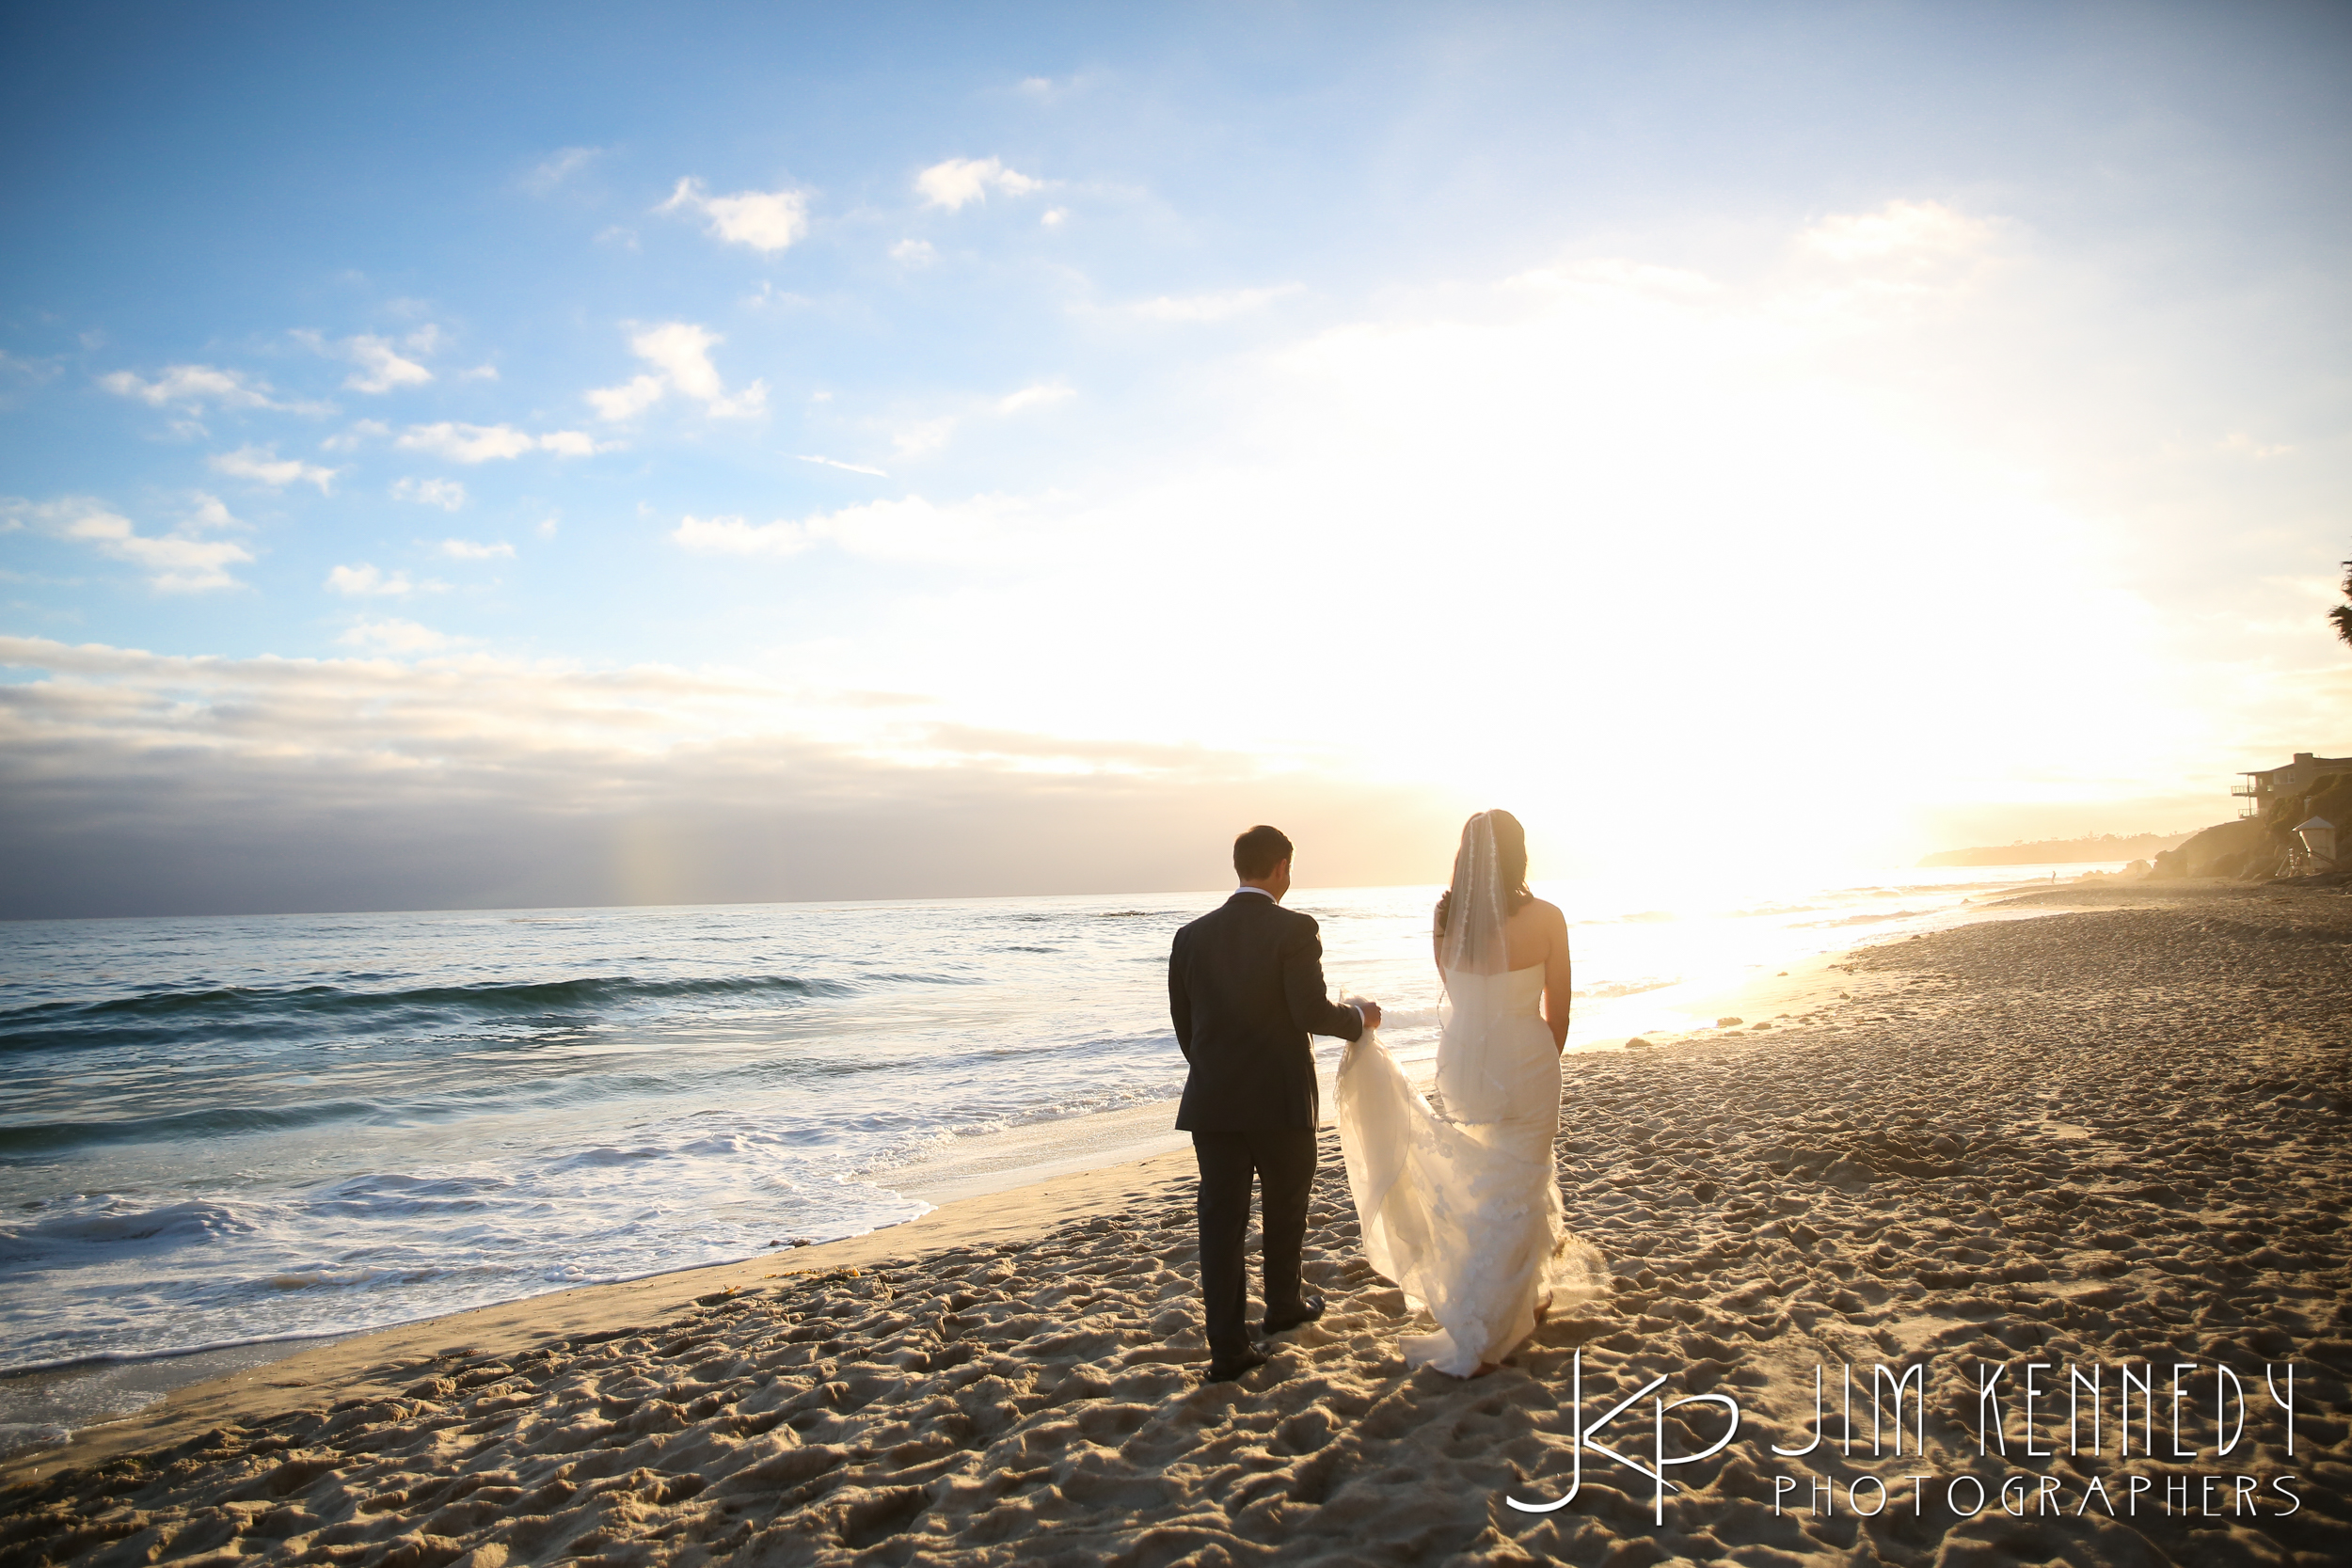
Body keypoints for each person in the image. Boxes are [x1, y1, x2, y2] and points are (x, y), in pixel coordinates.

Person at [1334, 809, 1606, 1376]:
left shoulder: (1444, 917)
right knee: (1523, 1176)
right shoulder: (1549, 916)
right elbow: (1560, 1008)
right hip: (1526, 1055)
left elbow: (1454, 986)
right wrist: (1538, 1060)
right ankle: (1490, 1320)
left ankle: (1528, 1296)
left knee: (1491, 1181)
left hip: (1461, 1063)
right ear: (1519, 855)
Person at [1168, 825, 1381, 1383]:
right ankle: (1282, 1307)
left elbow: (1186, 1029)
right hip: (1280, 1097)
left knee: (1220, 1221)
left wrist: (1217, 1072)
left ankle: (1227, 1349)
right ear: (1282, 866)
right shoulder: (1295, 929)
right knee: (1284, 1208)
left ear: (1240, 867)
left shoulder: (1190, 936)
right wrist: (1359, 1021)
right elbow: (1310, 1012)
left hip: (1214, 1101)